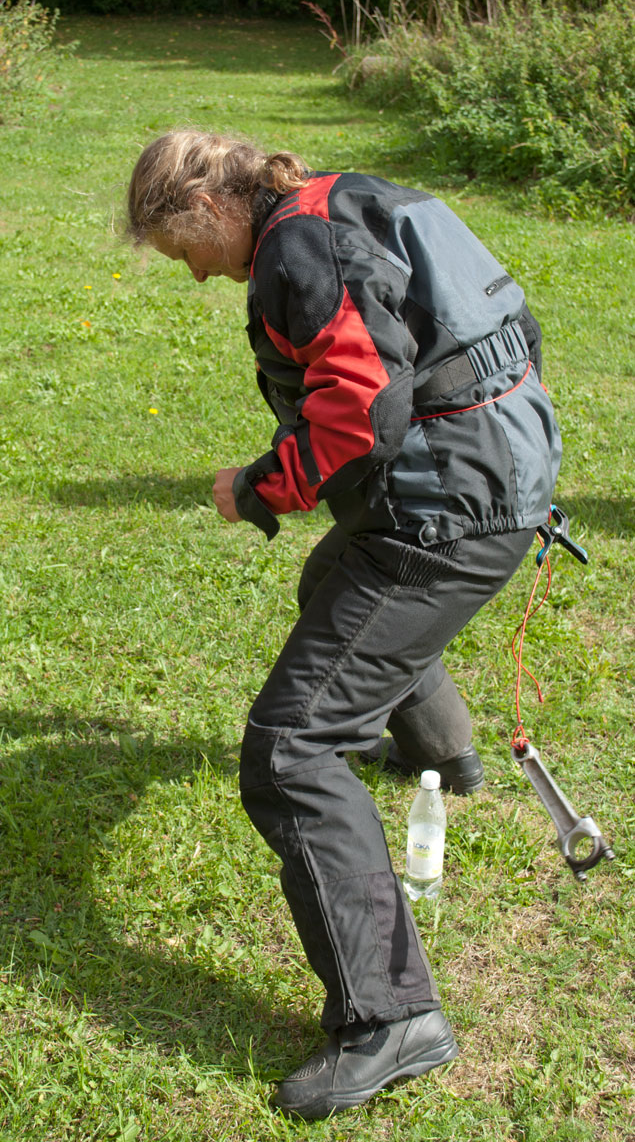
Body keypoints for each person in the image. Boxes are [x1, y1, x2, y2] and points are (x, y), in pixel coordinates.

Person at [125, 129, 561, 1120]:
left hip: (446, 514)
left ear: (200, 207)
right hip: (498, 476)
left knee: (288, 751)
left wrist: (259, 488)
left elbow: (359, 408)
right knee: (335, 584)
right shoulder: (340, 200)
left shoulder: (296, 247)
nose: (194, 275)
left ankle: (388, 1018)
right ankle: (442, 756)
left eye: (178, 250)